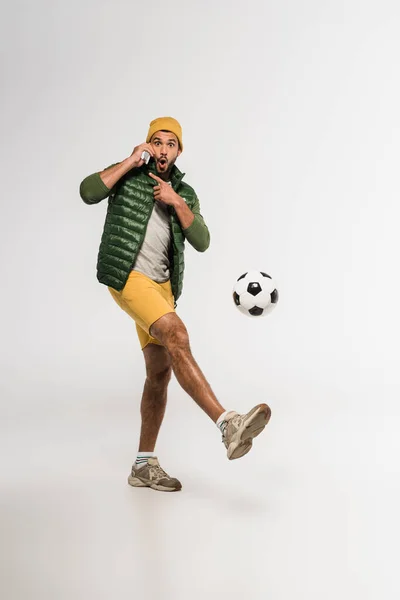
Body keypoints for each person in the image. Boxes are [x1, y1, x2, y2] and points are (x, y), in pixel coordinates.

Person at [79, 116, 271, 492]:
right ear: (147, 144)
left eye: (171, 143)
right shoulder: (127, 175)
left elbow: (201, 239)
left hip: (162, 287)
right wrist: (130, 161)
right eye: (157, 141)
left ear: (179, 151)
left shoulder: (185, 191)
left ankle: (143, 465)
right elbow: (87, 192)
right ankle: (226, 424)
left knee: (158, 374)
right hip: (127, 277)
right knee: (177, 334)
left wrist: (176, 200)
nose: (163, 149)